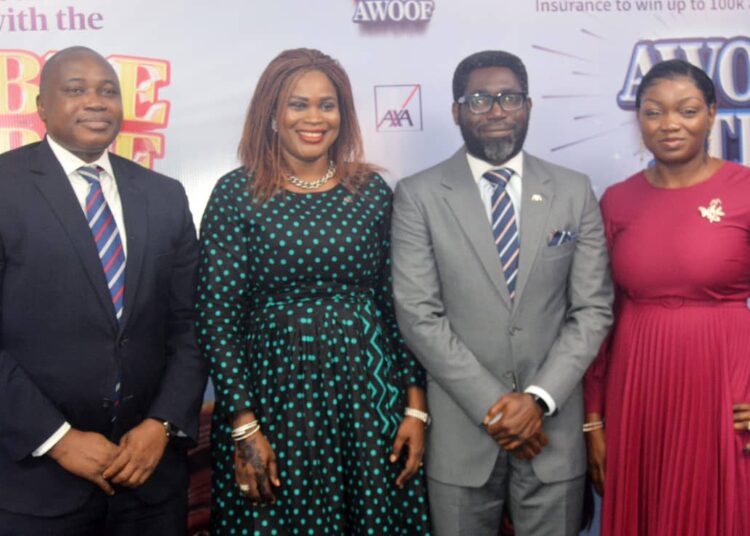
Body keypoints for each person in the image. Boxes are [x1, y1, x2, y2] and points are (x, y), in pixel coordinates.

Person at [196, 48, 431, 535]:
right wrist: (243, 424)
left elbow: (396, 304)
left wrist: (414, 405)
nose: (314, 118)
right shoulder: (236, 193)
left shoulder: (369, 192)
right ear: (272, 115)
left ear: (342, 115)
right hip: (272, 405)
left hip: (371, 402)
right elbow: (217, 319)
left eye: (327, 105)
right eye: (298, 104)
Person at [390, 49, 613, 536]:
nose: (496, 111)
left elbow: (592, 309)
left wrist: (536, 401)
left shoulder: (574, 191)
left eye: (509, 98)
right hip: (463, 435)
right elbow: (418, 315)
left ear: (528, 107)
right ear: (456, 111)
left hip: (551, 432)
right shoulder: (418, 195)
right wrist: (499, 409)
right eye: (479, 99)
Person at [0, 46, 207, 535]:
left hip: (150, 481)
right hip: (35, 484)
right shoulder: (5, 188)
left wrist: (162, 424)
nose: (95, 101)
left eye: (107, 90)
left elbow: (192, 324)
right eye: (75, 90)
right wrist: (57, 439)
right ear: (41, 106)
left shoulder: (164, 196)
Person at [584, 59, 750, 536]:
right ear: (638, 120)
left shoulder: (744, 191)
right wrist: (593, 422)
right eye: (654, 112)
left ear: (713, 113)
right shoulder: (616, 200)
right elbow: (601, 315)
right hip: (637, 387)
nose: (670, 124)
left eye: (688, 110)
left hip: (724, 384)